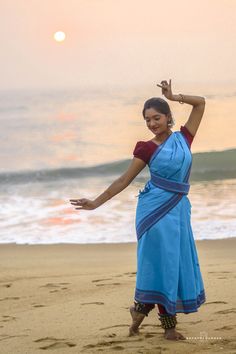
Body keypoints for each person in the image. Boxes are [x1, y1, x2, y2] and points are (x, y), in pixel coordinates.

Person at [70, 79, 206, 341]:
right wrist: (96, 202)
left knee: (169, 263)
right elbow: (124, 180)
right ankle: (168, 327)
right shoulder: (146, 147)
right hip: (154, 212)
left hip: (179, 210)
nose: (152, 123)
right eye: (147, 120)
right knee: (162, 264)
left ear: (169, 117)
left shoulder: (184, 138)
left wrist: (174, 94)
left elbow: (200, 103)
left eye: (157, 118)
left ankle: (138, 311)